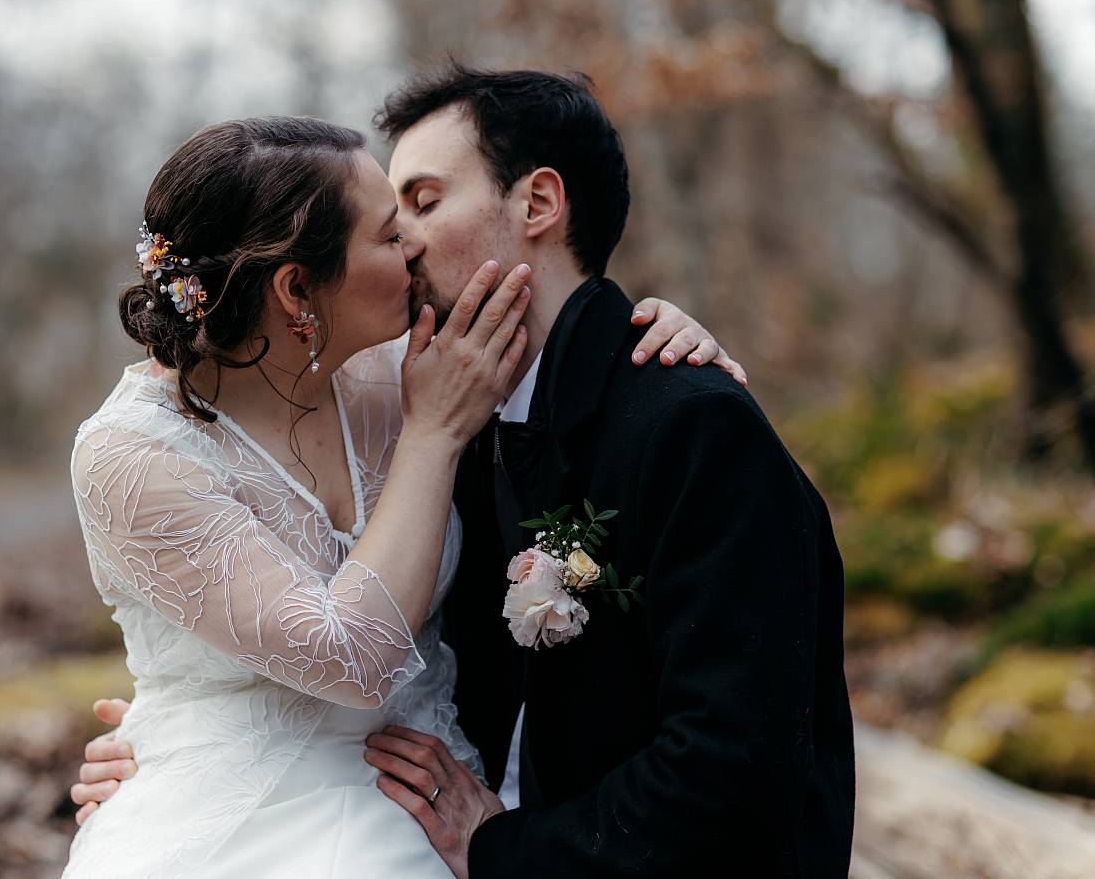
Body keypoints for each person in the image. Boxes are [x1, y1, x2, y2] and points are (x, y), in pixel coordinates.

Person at [60, 112, 736, 878]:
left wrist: (665, 336)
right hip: (243, 824)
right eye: (388, 233)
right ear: (296, 291)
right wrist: (431, 438)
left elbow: (563, 341)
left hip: (437, 790)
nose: (412, 246)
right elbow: (348, 660)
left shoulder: (396, 368)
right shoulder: (133, 454)